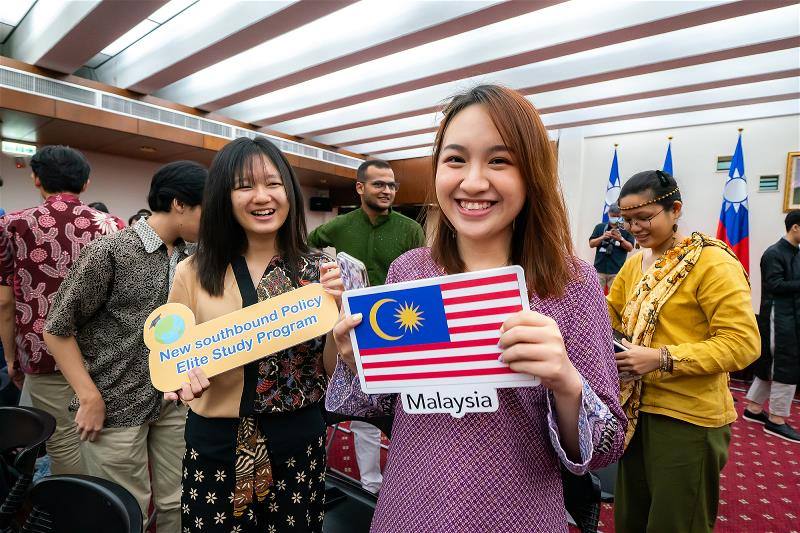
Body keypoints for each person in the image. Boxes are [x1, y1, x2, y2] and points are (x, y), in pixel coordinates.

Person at [325, 85, 625, 531]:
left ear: (532, 174)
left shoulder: (570, 283)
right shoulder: (410, 272)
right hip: (407, 507)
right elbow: (374, 404)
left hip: (515, 514)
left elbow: (603, 447)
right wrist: (354, 359)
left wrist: (566, 381)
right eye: (456, 159)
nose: (473, 181)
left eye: (499, 160)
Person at [165, 137, 343, 533]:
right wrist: (179, 382)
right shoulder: (192, 272)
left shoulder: (321, 270)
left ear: (290, 192)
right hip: (216, 444)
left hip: (297, 444)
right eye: (244, 185)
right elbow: (173, 359)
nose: (262, 196)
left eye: (273, 183)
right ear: (223, 197)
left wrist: (341, 323)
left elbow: (330, 369)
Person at [43, 160, 207, 531]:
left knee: (179, 501)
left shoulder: (194, 257)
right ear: (179, 204)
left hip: (175, 401)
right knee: (123, 510)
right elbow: (56, 329)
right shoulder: (111, 252)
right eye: (208, 210)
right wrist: (89, 397)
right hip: (114, 402)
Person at [607, 169, 760, 532]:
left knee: (676, 522)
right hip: (635, 408)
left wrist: (660, 358)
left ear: (675, 210)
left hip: (688, 417)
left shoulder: (712, 262)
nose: (635, 229)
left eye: (644, 218)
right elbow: (608, 315)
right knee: (631, 518)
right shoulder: (635, 262)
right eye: (627, 221)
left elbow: (742, 343)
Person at [0, 145, 123, 475]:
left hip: (42, 354)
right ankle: (107, 506)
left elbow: (4, 302)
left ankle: (74, 504)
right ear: (86, 184)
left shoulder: (12, 226)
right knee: (103, 438)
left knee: (63, 442)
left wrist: (11, 357)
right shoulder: (114, 226)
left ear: (36, 179)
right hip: (103, 357)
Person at [308, 159, 425, 494]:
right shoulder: (342, 225)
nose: (387, 191)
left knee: (405, 409)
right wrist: (326, 272)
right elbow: (309, 243)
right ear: (360, 188)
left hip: (400, 325)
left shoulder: (409, 229)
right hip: (355, 325)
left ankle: (410, 482)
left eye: (391, 185)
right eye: (379, 184)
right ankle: (373, 485)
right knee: (364, 410)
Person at [743, 209, 800, 443]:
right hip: (779, 317)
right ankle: (776, 420)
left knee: (771, 364)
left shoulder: (795, 253)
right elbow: (776, 284)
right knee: (785, 366)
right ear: (795, 227)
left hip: (789, 318)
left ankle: (754, 409)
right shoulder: (774, 253)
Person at [589, 203, 635, 292]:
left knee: (614, 299)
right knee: (597, 297)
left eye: (618, 216)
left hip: (616, 270)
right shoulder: (600, 227)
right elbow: (591, 244)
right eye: (613, 216)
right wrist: (602, 237)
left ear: (621, 216)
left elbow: (630, 248)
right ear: (609, 214)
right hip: (599, 269)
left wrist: (620, 239)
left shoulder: (626, 229)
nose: (615, 218)